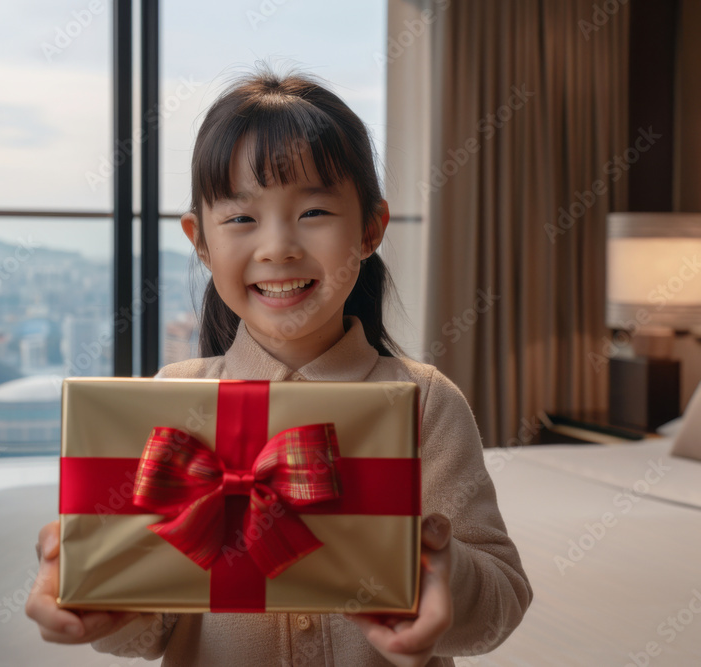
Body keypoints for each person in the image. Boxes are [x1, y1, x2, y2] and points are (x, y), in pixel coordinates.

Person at [27, 66, 533, 666]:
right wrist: (101, 608)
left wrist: (448, 577)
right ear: (200, 241)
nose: (277, 247)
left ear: (371, 229)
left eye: (314, 212)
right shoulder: (170, 402)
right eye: (241, 218)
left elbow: (501, 598)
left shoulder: (427, 402)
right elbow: (149, 627)